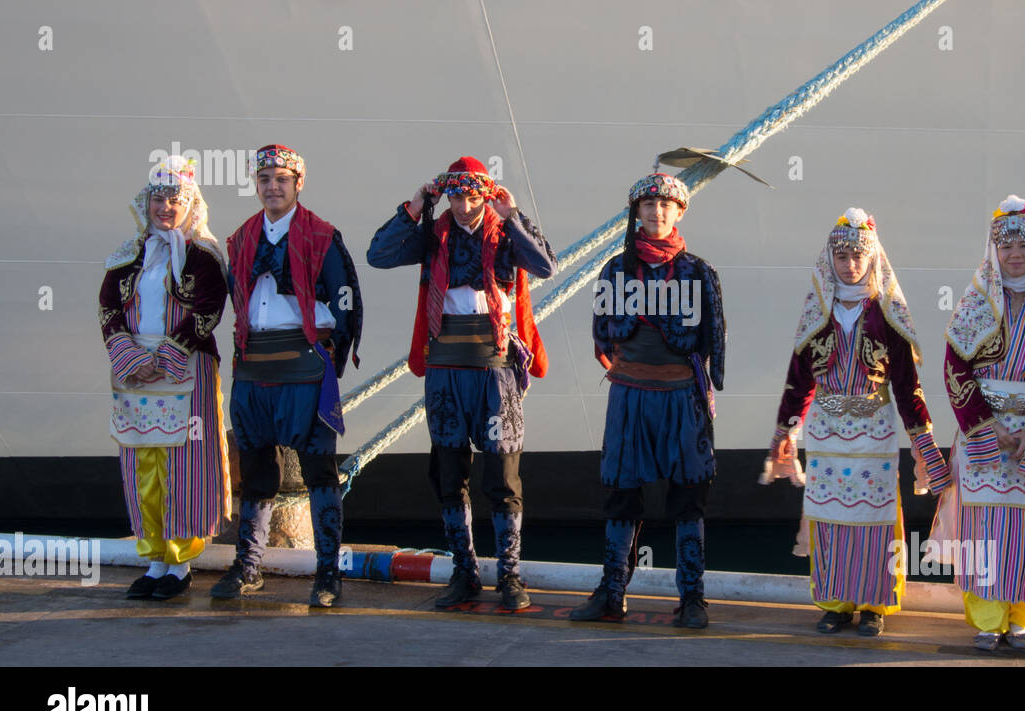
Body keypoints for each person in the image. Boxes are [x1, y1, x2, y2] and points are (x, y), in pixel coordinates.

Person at [367, 156, 556, 611]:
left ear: (486, 196)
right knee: (450, 474)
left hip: (494, 370)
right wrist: (415, 206)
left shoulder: (505, 234)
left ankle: (509, 576)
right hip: (446, 368)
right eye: (456, 196)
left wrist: (514, 216)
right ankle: (464, 572)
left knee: (503, 476)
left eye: (474, 196)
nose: (466, 206)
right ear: (446, 196)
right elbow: (379, 255)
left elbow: (547, 265)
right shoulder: (432, 236)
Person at [762, 209, 949, 636]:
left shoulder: (887, 313)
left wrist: (923, 440)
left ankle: (874, 604)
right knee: (828, 517)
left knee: (876, 518)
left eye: (857, 256)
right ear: (830, 260)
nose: (849, 264)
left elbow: (906, 385)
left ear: (872, 259)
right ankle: (835, 602)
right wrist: (785, 431)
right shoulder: (818, 313)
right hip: (827, 431)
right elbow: (800, 381)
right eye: (842, 256)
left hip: (874, 428)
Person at [570, 173, 725, 629]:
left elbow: (715, 337)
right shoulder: (614, 271)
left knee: (689, 496)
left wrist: (703, 384)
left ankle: (692, 597)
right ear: (636, 212)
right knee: (621, 493)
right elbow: (602, 335)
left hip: (682, 397)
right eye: (648, 205)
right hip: (631, 396)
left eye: (666, 205)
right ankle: (611, 592)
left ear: (680, 212)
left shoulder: (699, 272)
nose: (657, 212)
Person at [213, 144, 363, 608]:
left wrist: (329, 365)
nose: (272, 186)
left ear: (299, 183)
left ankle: (326, 572)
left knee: (320, 470)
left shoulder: (322, 236)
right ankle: (249, 565)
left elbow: (346, 303)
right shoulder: (240, 238)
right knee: (256, 470)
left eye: (281, 178)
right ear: (256, 186)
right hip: (254, 366)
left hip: (304, 365)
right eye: (264, 179)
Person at [931, 196, 1025, 651]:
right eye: (1006, 245)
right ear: (993, 250)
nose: (1016, 254)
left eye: (1024, 245)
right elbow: (954, 367)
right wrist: (983, 423)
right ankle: (987, 617)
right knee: (984, 526)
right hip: (985, 430)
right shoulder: (974, 303)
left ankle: (1021, 617)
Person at [100, 155, 231, 600]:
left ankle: (181, 562)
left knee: (184, 464)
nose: (166, 207)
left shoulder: (204, 255)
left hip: (186, 365)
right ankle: (155, 558)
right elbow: (108, 311)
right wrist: (131, 358)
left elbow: (208, 309)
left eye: (175, 198)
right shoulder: (127, 255)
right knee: (142, 462)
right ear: (147, 201)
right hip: (135, 370)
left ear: (191, 202)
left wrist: (169, 354)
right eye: (159, 197)